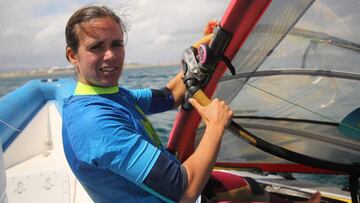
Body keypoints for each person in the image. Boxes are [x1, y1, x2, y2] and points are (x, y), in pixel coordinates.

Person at [62, 5, 321, 203]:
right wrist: (215, 125)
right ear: (73, 55)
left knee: (260, 191)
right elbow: (183, 190)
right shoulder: (95, 124)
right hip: (178, 192)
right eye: (97, 47)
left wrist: (206, 42)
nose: (111, 55)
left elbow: (169, 95)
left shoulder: (111, 95)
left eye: (116, 44)